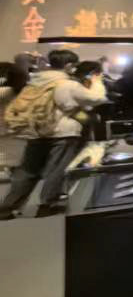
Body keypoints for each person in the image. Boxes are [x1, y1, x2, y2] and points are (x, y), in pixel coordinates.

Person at [0, 49, 108, 219]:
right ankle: (48, 204)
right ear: (69, 65)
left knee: (28, 171)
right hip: (62, 132)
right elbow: (96, 99)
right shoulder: (67, 84)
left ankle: (8, 207)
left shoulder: (35, 81)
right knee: (56, 169)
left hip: (37, 130)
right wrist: (97, 82)